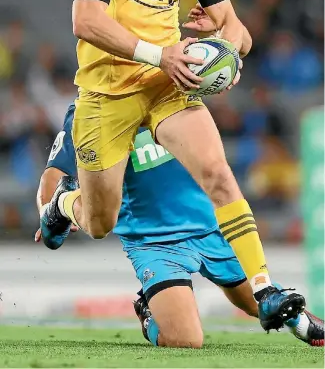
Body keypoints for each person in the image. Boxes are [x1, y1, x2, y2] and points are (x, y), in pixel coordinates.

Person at [41, 0, 305, 331]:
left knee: (218, 174)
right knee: (99, 221)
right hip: (108, 92)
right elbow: (85, 20)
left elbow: (239, 32)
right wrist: (159, 52)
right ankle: (63, 204)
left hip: (167, 85)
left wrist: (223, 47)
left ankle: (266, 288)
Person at [36, 101, 324, 348]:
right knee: (186, 339)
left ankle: (306, 325)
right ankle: (148, 312)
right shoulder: (92, 107)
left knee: (255, 302)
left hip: (212, 228)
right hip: (154, 242)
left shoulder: (172, 89)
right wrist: (48, 208)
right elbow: (55, 170)